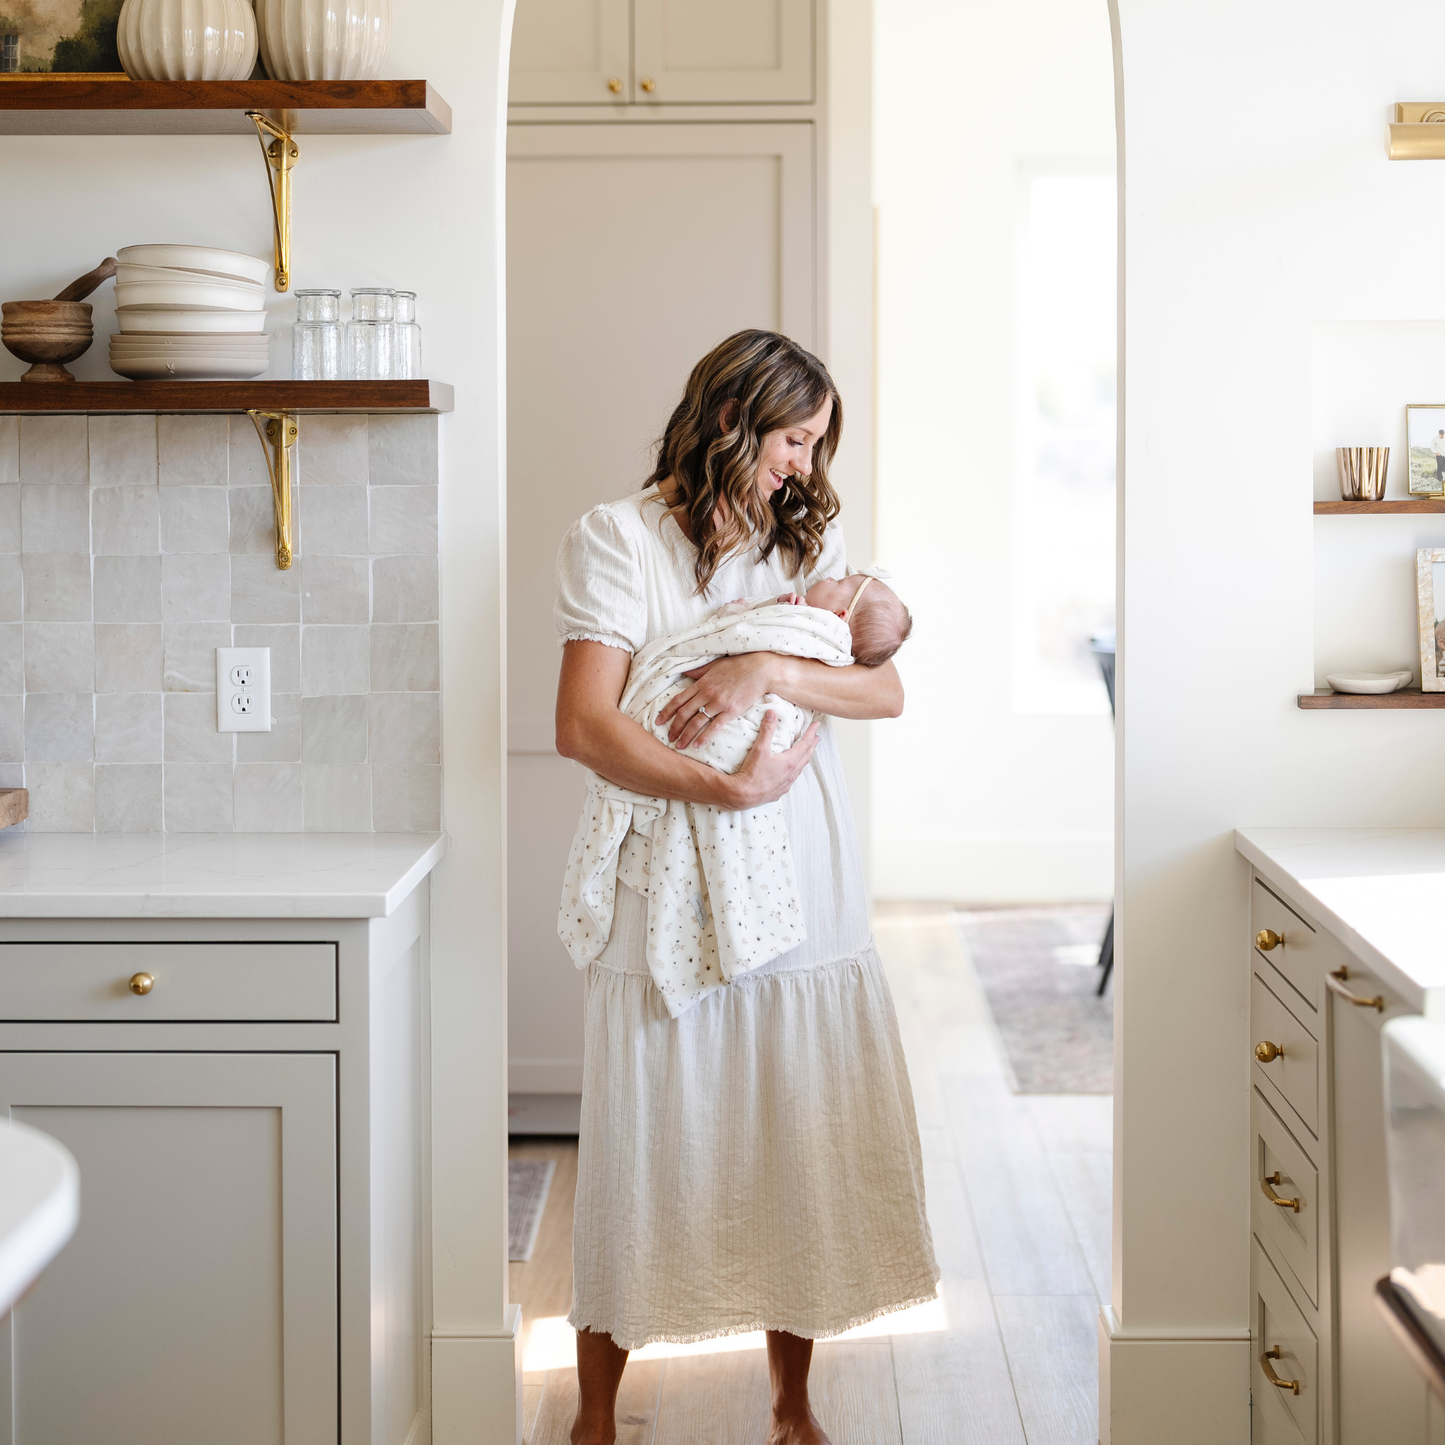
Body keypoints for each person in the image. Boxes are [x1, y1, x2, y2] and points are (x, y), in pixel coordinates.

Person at [553, 329, 938, 1445]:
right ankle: (590, 1413)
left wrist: (764, 665)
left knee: (795, 1125)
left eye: (817, 446)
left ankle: (791, 1402)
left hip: (799, 858)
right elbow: (582, 725)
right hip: (673, 852)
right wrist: (725, 792)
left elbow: (885, 692)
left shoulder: (803, 545)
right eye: (793, 439)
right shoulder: (616, 537)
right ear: (730, 418)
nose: (806, 468)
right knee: (643, 1128)